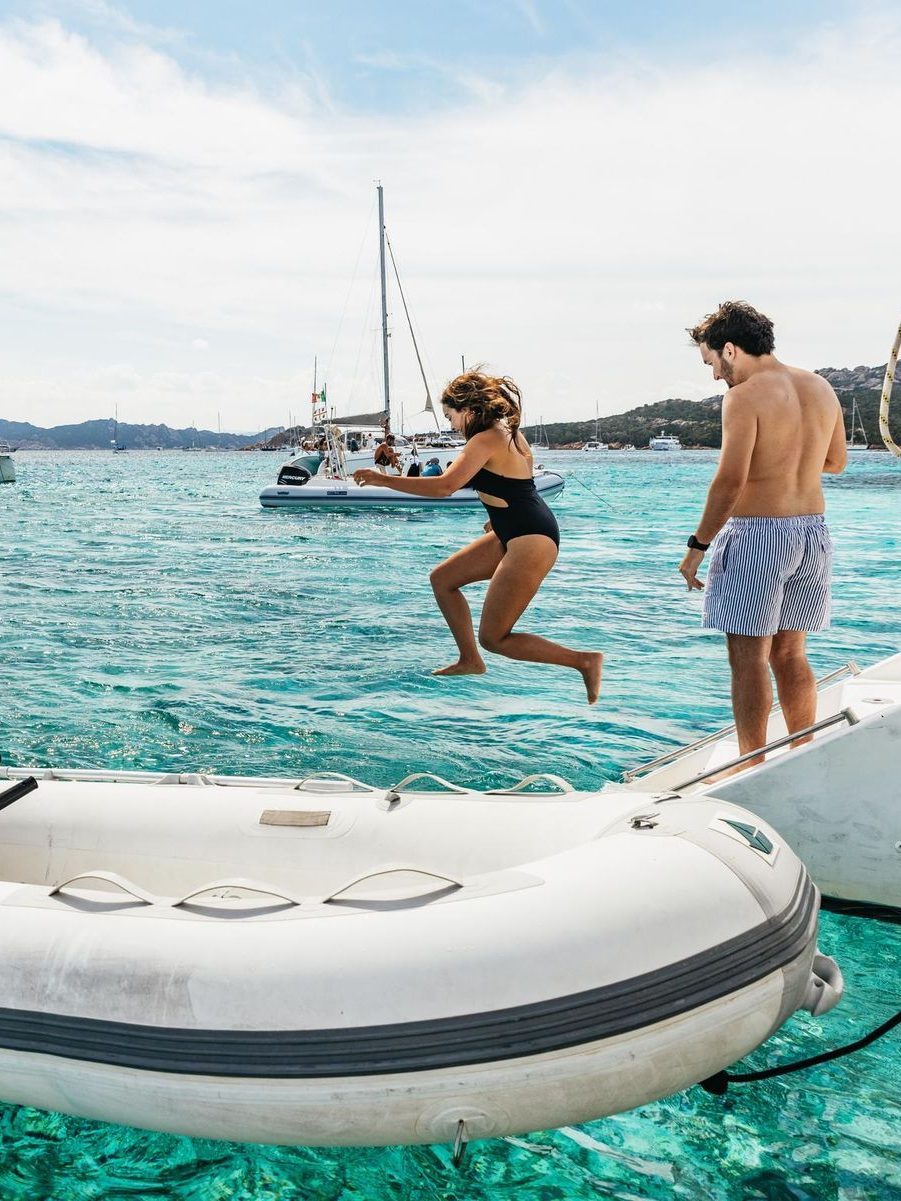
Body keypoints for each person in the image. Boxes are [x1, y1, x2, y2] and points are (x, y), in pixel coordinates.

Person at [354, 371, 603, 703]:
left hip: (530, 538)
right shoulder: (509, 433)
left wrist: (382, 480)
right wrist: (496, 517)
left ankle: (583, 661)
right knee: (442, 579)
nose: (452, 424)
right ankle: (469, 660)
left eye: (450, 416)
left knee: (494, 637)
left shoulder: (484, 439)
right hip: (517, 528)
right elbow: (515, 483)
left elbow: (444, 486)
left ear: (467, 409)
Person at [679, 300, 847, 769]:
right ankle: (801, 754)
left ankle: (751, 766)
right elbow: (835, 462)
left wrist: (698, 547)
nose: (715, 377)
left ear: (730, 349)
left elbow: (730, 481)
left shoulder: (745, 396)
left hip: (759, 535)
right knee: (791, 652)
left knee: (748, 656)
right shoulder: (820, 387)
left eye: (712, 363)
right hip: (812, 532)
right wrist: (790, 458)